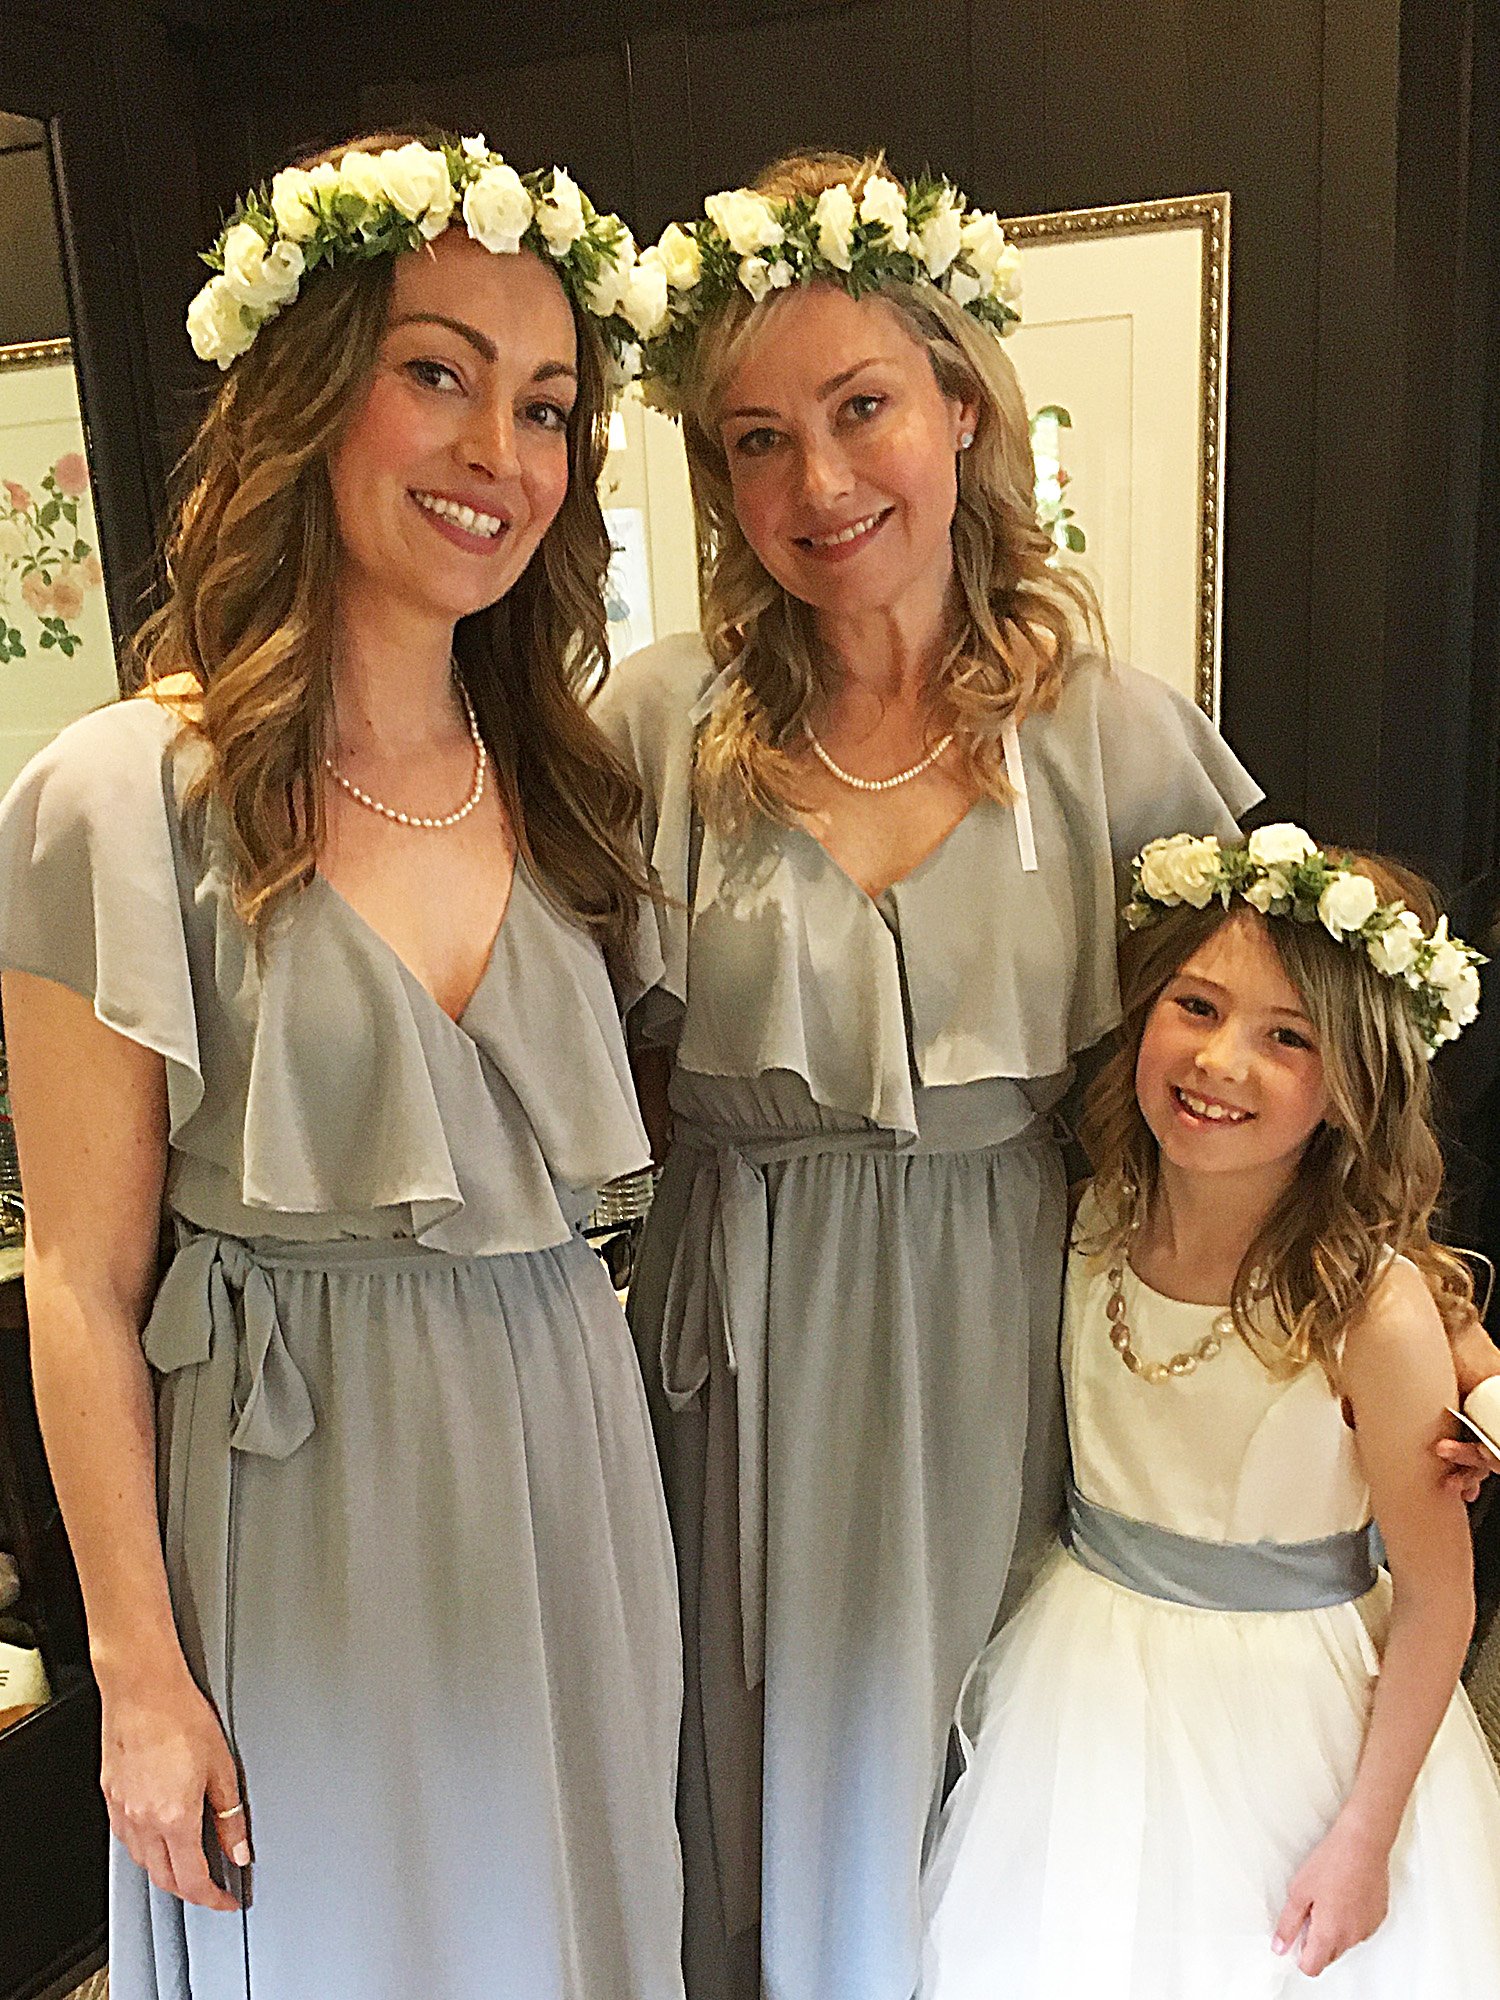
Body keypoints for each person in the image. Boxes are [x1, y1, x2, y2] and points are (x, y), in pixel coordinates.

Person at [0, 135, 685, 2000]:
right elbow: (79, 1283)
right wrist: (138, 1681)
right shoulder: (120, 797)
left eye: (544, 406)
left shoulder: (574, 790)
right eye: (437, 372)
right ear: (303, 397)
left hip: (570, 1468)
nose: (499, 453)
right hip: (300, 1498)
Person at [592, 151, 1267, 2000]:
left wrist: (1382, 1312)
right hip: (740, 1325)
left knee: (995, 1741)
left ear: (962, 407)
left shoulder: (1112, 735)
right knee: (752, 1747)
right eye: (757, 440)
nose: (818, 485)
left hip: (1008, 1317)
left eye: (862, 408)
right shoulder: (656, 727)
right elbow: (561, 1037)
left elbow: (1259, 1081)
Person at [920, 829, 1500, 1996]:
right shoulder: (1088, 1222)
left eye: (1290, 1036)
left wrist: (1364, 1835)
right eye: (1196, 1005)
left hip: (1294, 1718)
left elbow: (1440, 1596)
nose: (1221, 1060)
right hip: (1084, 1685)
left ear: (1353, 1084)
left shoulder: (1369, 1309)